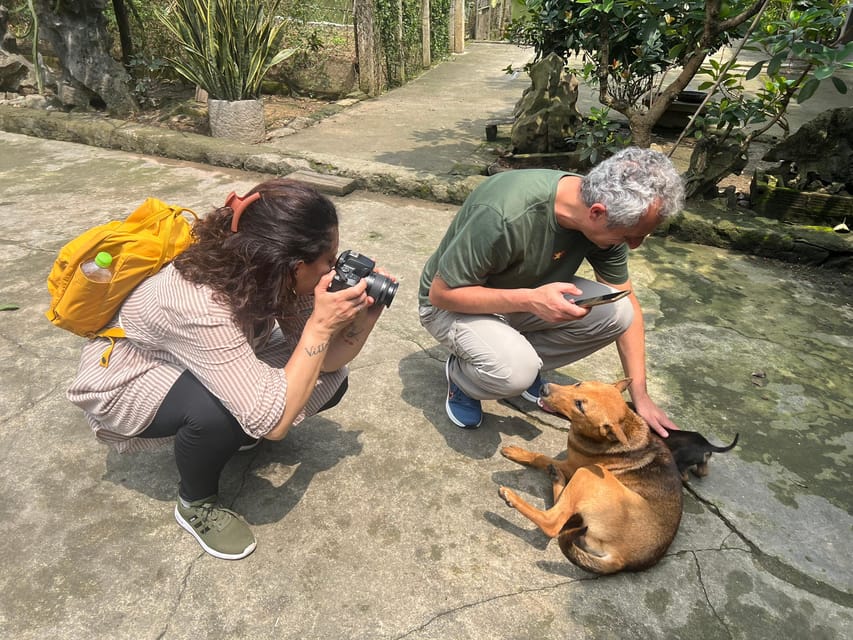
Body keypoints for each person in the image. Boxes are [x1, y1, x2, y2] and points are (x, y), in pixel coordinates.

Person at [68, 178, 394, 560]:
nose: (332, 270)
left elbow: (331, 360)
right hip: (127, 379)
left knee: (327, 378)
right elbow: (274, 425)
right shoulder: (197, 303)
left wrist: (368, 310)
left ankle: (236, 429)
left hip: (197, 361)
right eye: (327, 260)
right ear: (289, 266)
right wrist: (321, 326)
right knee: (219, 413)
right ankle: (195, 502)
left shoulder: (276, 277)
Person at [418, 146, 685, 436]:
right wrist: (530, 300)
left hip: (522, 296)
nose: (634, 246)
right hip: (453, 304)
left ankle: (510, 357)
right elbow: (440, 295)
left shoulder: (606, 222)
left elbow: (626, 299)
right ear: (597, 213)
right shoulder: (504, 212)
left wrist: (640, 396)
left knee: (618, 313)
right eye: (630, 237)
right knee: (514, 373)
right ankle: (465, 377)